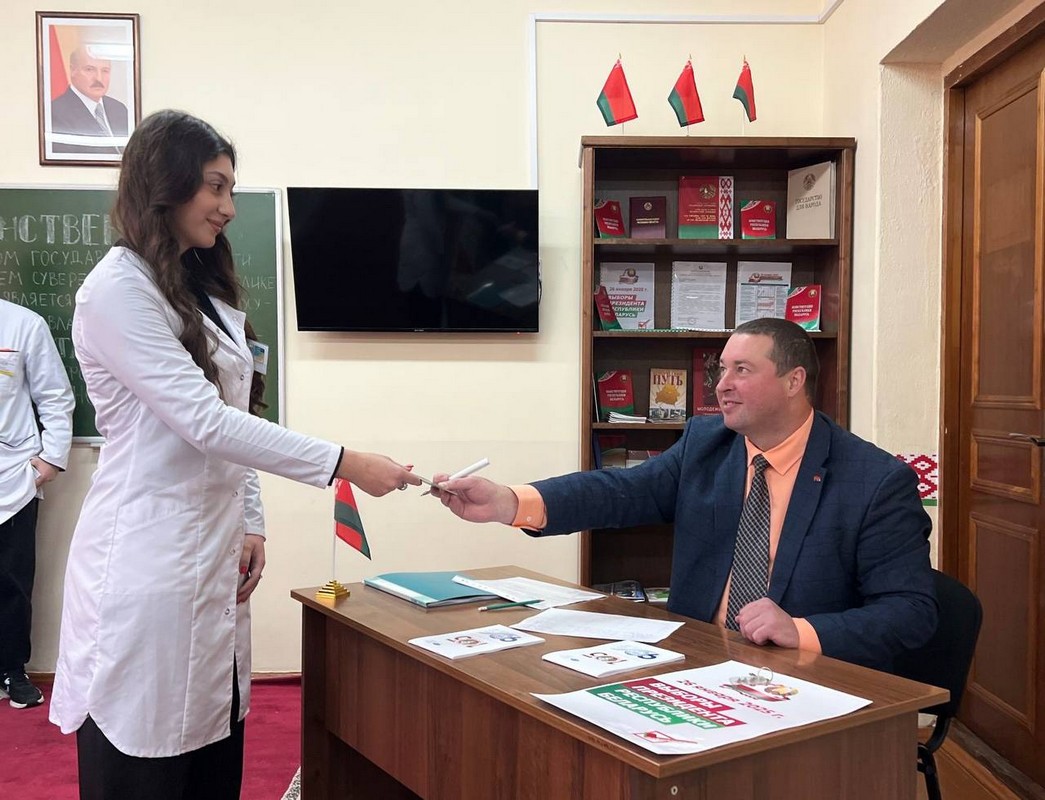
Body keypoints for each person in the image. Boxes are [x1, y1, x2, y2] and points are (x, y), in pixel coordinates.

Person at [47, 109, 421, 800]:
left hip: (212, 555)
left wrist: (251, 520)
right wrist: (347, 462)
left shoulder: (200, 287)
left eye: (230, 189)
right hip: (147, 559)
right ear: (166, 185)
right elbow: (204, 421)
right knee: (145, 750)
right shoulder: (117, 289)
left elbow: (236, 415)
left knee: (211, 747)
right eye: (214, 187)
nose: (227, 208)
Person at [433, 318, 937, 672]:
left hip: (804, 677)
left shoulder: (874, 480)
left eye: (742, 370)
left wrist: (802, 631)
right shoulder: (706, 443)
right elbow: (619, 491)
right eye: (721, 370)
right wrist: (509, 502)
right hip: (695, 663)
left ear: (794, 381)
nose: (722, 385)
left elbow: (911, 612)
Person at [0, 299, 74, 709]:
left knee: (13, 580)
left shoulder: (24, 324)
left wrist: (50, 460)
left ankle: (12, 669)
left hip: (11, 476)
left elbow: (56, 397)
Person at [49, 47, 130, 155]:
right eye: (89, 69)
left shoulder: (119, 109)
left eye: (105, 71)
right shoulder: (55, 113)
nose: (99, 78)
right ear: (73, 71)